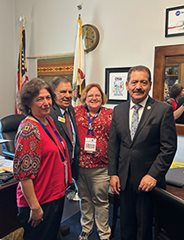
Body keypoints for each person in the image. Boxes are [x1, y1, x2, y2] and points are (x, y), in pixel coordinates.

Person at [108, 65, 177, 240]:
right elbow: (114, 145)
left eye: (143, 82)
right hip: (123, 181)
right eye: (134, 82)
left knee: (144, 228)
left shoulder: (163, 110)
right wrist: (113, 173)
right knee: (126, 225)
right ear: (127, 85)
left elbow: (168, 148)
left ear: (150, 85)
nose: (138, 86)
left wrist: (153, 175)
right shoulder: (118, 110)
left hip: (148, 181)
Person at [13, 78, 72, 240]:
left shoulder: (48, 121)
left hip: (54, 195)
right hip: (40, 201)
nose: (46, 103)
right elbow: (24, 175)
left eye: (48, 98)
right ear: (28, 103)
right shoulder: (29, 129)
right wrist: (35, 207)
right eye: (39, 99)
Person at [75, 83, 112, 240]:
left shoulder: (111, 113)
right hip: (80, 166)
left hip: (101, 167)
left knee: (101, 201)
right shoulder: (76, 112)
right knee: (84, 199)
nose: (94, 98)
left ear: (102, 98)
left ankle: (104, 233)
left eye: (97, 95)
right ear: (85, 98)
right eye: (90, 95)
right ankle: (86, 227)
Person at [49, 76, 80, 182]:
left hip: (71, 167)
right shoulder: (49, 114)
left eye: (70, 92)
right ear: (53, 93)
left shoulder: (70, 109)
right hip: (56, 169)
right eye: (63, 92)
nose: (68, 96)